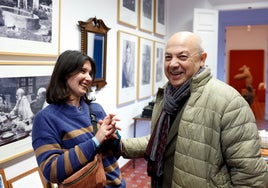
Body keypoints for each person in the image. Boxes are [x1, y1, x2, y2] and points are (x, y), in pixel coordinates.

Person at [120, 31, 268, 187]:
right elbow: (162, 141)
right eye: (168, 57)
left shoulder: (229, 102)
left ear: (202, 59)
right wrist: (120, 146)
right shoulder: (167, 96)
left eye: (182, 57)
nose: (173, 64)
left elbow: (250, 177)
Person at [31, 50, 126, 187]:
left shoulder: (96, 109)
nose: (88, 78)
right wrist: (95, 141)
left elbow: (116, 154)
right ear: (65, 73)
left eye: (90, 73)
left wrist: (114, 138)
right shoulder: (45, 118)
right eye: (83, 71)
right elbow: (51, 170)